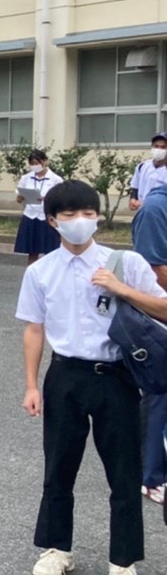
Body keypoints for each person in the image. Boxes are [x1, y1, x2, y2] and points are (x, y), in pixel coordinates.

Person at [18, 179, 167, 575]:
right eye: (69, 215)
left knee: (123, 472)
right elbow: (33, 328)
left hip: (117, 376)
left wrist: (122, 289)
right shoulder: (40, 271)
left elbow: (164, 307)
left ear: (99, 216)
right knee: (59, 466)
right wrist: (31, 384)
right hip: (64, 374)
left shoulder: (127, 263)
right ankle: (56, 548)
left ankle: (123, 562)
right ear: (52, 221)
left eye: (88, 213)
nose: (81, 222)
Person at [129, 181, 167, 504]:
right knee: (160, 393)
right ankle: (151, 475)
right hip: (160, 313)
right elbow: (153, 269)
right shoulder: (156, 209)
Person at [14, 151, 64, 264]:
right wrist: (21, 197)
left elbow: (60, 200)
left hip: (47, 217)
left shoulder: (56, 179)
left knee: (50, 251)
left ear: (45, 161)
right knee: (32, 250)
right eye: (32, 163)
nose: (35, 166)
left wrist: (46, 199)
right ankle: (31, 276)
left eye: (37, 162)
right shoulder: (26, 178)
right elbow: (18, 199)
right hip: (30, 216)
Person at [128, 134, 167, 212]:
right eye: (156, 146)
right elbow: (135, 188)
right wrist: (133, 199)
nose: (159, 149)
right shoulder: (142, 167)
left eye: (163, 147)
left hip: (162, 214)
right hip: (143, 212)